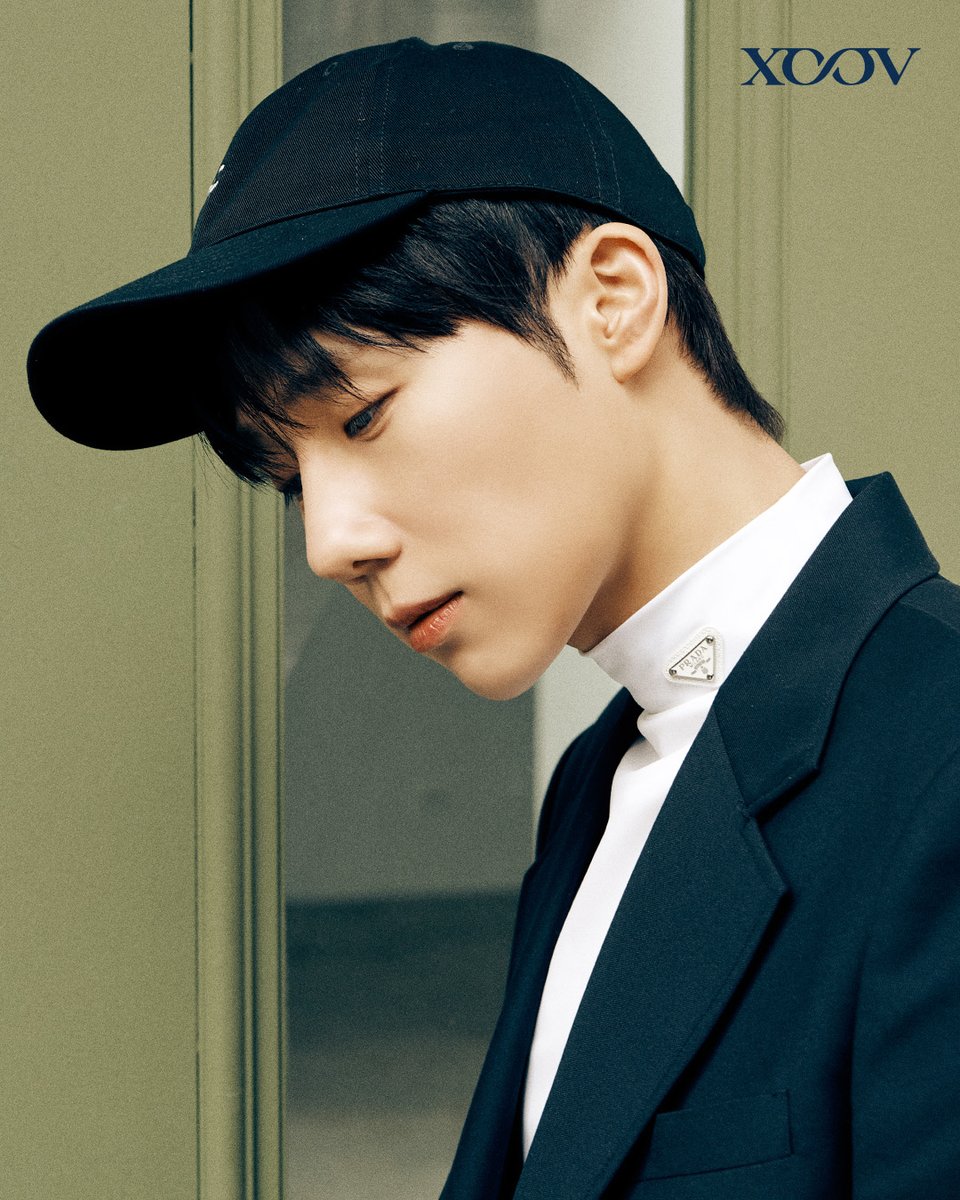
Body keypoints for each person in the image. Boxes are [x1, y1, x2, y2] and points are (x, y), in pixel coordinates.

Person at [27, 37, 960, 1200]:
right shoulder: (601, 781)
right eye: (290, 480)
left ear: (613, 299)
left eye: (363, 416)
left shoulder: (937, 762)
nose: (330, 544)